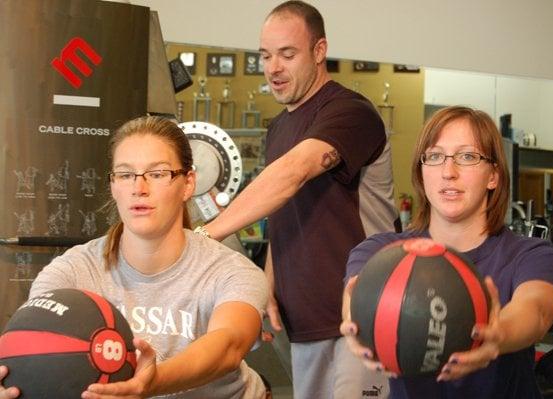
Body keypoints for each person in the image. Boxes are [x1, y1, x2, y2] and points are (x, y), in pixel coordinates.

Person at [202, 1, 399, 397]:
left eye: (287, 54)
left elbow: (293, 174)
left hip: (360, 312)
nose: (273, 67)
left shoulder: (350, 112)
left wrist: (204, 235)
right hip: (304, 320)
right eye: (266, 55)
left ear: (319, 51)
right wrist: (268, 284)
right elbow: (284, 209)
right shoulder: (279, 127)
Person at [0, 116, 268, 399]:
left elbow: (229, 346)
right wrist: (20, 377)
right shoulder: (72, 271)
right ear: (114, 185)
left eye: (157, 174)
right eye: (126, 174)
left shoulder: (230, 271)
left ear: (188, 183)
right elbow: (35, 342)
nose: (138, 188)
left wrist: (152, 382)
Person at [340, 105, 553, 398]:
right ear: (422, 174)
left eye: (467, 156)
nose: (449, 172)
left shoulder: (533, 255)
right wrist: (355, 321)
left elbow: (536, 311)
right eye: (435, 157)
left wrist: (499, 334)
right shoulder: (381, 251)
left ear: (493, 176)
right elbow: (355, 292)